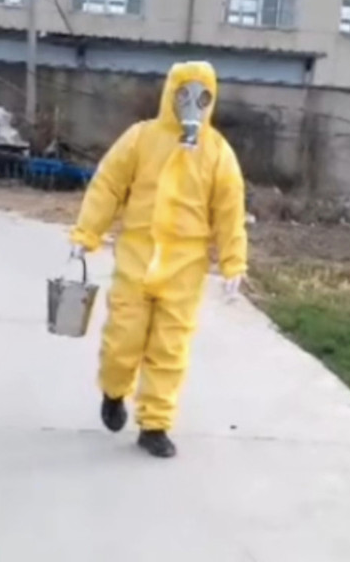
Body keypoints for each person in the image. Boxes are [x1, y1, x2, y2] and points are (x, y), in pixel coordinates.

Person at [70, 61, 247, 458]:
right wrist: (86, 233)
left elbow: (229, 211)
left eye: (202, 96)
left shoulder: (217, 152)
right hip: (137, 258)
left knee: (170, 349)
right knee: (123, 340)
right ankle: (114, 391)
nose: (191, 104)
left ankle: (155, 424)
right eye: (184, 94)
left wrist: (234, 262)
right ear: (170, 93)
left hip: (185, 268)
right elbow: (108, 185)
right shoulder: (141, 138)